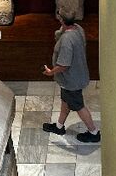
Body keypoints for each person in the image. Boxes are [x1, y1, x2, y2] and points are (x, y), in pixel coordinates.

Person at [42, 9, 100, 143]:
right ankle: (59, 126)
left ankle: (93, 132)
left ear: (61, 19)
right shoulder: (78, 29)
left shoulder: (67, 40)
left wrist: (51, 72)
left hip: (71, 80)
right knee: (65, 101)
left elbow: (64, 65)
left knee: (78, 105)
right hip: (75, 76)